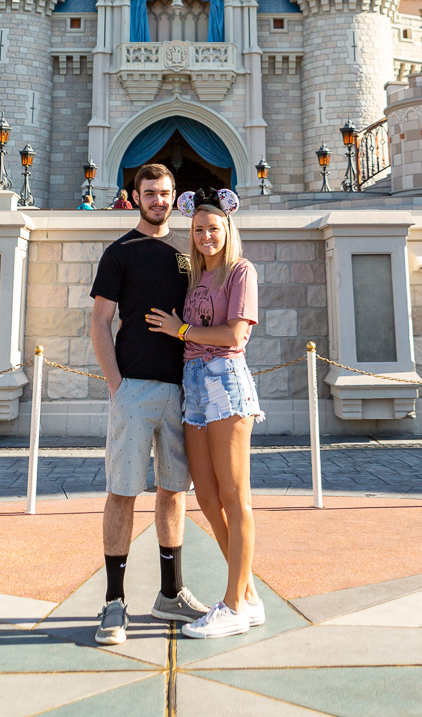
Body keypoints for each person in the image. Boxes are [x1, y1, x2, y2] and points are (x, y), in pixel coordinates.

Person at [88, 162, 208, 645]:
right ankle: (115, 602)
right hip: (134, 387)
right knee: (122, 491)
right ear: (134, 196)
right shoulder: (119, 253)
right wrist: (117, 384)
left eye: (165, 192)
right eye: (150, 192)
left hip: (182, 389)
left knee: (174, 491)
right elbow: (99, 322)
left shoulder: (188, 251)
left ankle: (170, 593)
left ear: (175, 195)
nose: (158, 200)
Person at [147, 187, 265, 640]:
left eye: (213, 228)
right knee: (208, 497)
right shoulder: (197, 275)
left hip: (225, 380)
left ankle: (234, 602)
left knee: (235, 496)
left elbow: (235, 334)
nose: (205, 236)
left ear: (227, 229)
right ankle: (248, 593)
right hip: (192, 384)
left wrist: (181, 329)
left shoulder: (240, 271)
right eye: (198, 230)